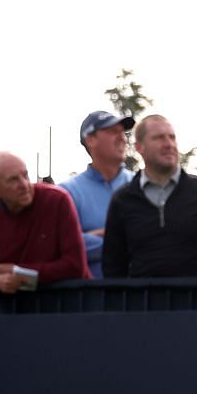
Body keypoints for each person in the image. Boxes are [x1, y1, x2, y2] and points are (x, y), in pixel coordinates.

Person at [103, 115, 197, 278]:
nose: (169, 144)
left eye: (172, 137)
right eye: (158, 138)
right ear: (139, 147)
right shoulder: (122, 200)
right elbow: (113, 267)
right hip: (142, 302)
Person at [0, 152, 91, 294]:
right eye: (13, 180)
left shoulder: (57, 200)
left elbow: (75, 267)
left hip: (66, 299)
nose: (24, 184)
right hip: (9, 302)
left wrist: (19, 272)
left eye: (25, 175)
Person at [61, 111, 136, 277]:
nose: (122, 138)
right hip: (89, 299)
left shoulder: (141, 185)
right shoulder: (67, 192)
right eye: (112, 132)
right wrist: (124, 238)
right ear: (90, 140)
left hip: (137, 299)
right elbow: (62, 247)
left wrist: (96, 235)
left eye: (122, 132)